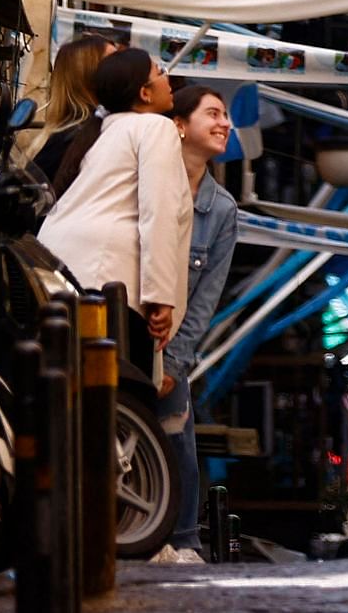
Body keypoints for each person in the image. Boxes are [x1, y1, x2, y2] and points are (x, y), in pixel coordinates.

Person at [35, 44, 189, 345]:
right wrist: (160, 295)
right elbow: (158, 210)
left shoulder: (105, 128)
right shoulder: (156, 127)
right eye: (161, 72)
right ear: (145, 93)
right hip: (101, 277)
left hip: (57, 263)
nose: (169, 79)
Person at [147, 81, 241, 566]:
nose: (225, 122)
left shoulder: (222, 210)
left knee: (176, 434)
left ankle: (184, 542)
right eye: (213, 113)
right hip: (124, 326)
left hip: (172, 345)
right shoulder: (144, 182)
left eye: (226, 115)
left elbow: (206, 298)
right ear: (179, 125)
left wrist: (177, 360)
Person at [23, 35, 109, 197]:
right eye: (113, 60)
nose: (122, 65)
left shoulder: (89, 127)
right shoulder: (79, 135)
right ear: (89, 75)